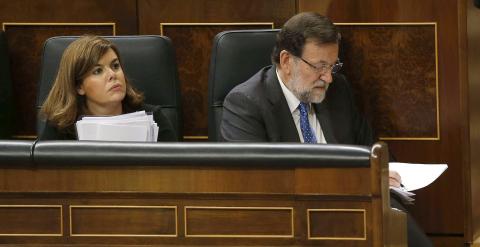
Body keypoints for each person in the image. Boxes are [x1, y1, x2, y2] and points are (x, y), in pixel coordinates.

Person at [220, 12, 432, 247]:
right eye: (320, 66)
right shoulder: (246, 103)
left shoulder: (338, 91)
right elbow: (255, 185)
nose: (329, 77)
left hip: (354, 211)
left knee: (402, 225)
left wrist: (384, 172)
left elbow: (370, 147)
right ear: (287, 61)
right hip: (292, 221)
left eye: (333, 66)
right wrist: (354, 180)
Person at [39, 35, 176, 142]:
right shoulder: (60, 128)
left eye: (115, 66)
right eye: (98, 71)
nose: (112, 75)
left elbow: (175, 173)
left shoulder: (153, 117)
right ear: (79, 86)